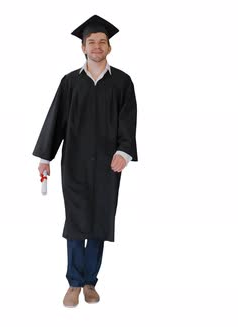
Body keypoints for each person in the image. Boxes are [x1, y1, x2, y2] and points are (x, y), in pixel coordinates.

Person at [32, 14, 138, 308]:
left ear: (109, 48)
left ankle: (91, 282)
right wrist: (45, 157)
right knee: (77, 221)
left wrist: (124, 152)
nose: (96, 46)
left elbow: (128, 122)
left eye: (102, 42)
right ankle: (74, 283)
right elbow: (55, 120)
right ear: (82, 47)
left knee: (100, 221)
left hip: (108, 164)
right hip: (75, 163)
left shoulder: (122, 82)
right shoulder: (70, 82)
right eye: (91, 42)